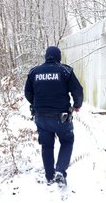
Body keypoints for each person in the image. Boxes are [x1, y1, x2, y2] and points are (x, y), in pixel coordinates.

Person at [24, 46, 83, 187]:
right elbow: (78, 90)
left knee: (47, 146)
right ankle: (60, 171)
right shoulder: (65, 71)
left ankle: (50, 176)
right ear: (59, 57)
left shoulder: (34, 72)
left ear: (46, 56)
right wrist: (77, 105)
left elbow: (27, 93)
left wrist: (37, 103)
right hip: (61, 118)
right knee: (67, 142)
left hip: (41, 117)